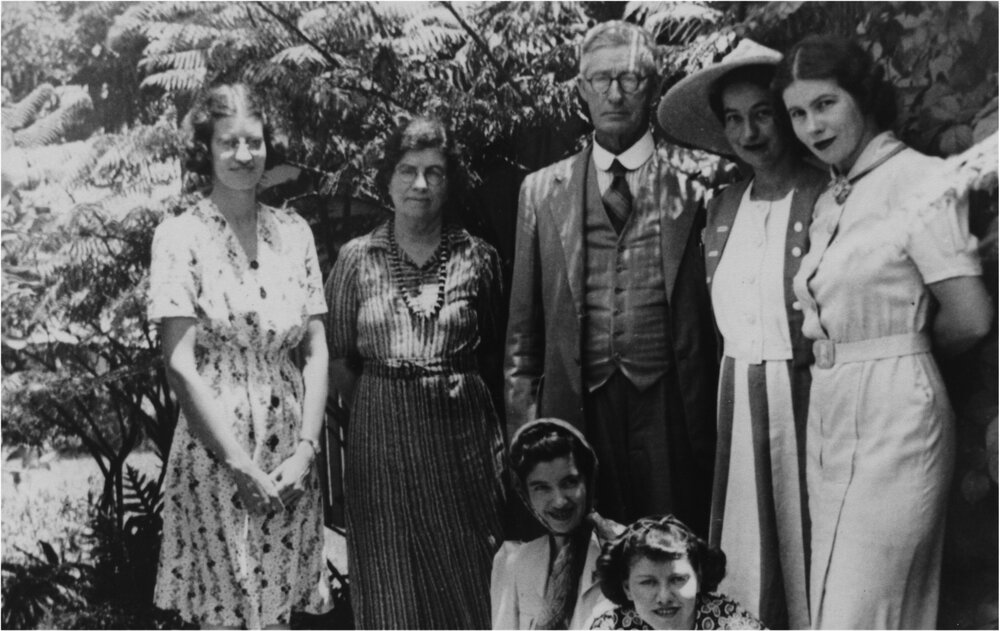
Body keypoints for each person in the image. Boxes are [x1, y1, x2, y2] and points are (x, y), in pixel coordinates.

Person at [775, 35, 993, 629]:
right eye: (797, 113)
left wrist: (905, 351)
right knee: (832, 604)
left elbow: (971, 315)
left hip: (898, 418)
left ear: (863, 97)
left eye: (826, 104)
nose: (813, 126)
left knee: (861, 611)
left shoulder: (916, 178)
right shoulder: (832, 199)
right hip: (831, 415)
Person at [505, 20, 718, 531]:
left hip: (670, 407)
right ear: (582, 88)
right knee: (593, 552)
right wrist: (524, 435)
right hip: (578, 407)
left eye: (630, 78)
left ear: (654, 86)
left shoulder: (699, 187)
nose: (615, 94)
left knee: (673, 543)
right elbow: (522, 336)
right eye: (600, 79)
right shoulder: (541, 191)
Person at [656, 40, 828, 629]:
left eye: (762, 114)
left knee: (811, 544)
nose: (749, 132)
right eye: (733, 118)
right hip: (738, 401)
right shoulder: (722, 207)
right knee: (746, 548)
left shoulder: (826, 194)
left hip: (811, 399)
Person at [149, 83, 331, 629]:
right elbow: (180, 363)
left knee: (280, 613)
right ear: (205, 149)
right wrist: (238, 464)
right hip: (218, 454)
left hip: (290, 458)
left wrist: (307, 451)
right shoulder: (180, 236)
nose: (244, 154)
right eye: (229, 142)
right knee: (226, 612)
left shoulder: (294, 233)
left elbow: (316, 351)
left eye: (254, 141)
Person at [325, 116, 506, 629]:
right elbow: (337, 357)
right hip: (379, 443)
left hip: (462, 442)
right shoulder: (356, 260)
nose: (420, 184)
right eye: (407, 170)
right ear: (387, 180)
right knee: (389, 579)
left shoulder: (478, 257)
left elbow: (495, 353)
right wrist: (384, 398)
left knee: (471, 571)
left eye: (434, 172)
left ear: (451, 183)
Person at [491, 418, 618, 630]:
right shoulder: (514, 562)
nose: (559, 501)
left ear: (588, 481)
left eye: (569, 483)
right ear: (525, 494)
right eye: (542, 488)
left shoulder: (625, 549)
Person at [590, 515, 765, 630]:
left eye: (677, 579)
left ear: (698, 578)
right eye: (648, 582)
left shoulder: (731, 622)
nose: (664, 597)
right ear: (627, 588)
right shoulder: (611, 626)